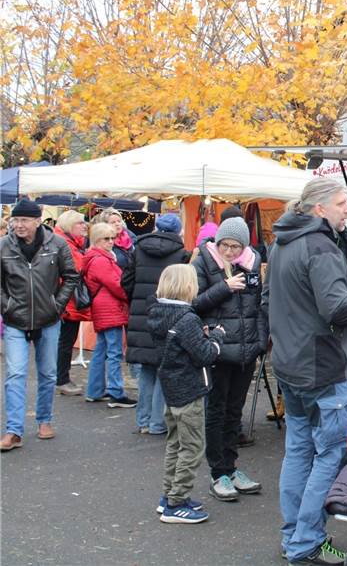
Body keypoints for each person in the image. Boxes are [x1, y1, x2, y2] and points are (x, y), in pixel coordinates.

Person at [264, 178, 347, 565]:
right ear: (319, 209)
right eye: (340, 204)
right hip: (321, 367)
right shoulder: (319, 247)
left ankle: (295, 539)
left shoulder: (283, 242)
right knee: (328, 455)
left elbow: (271, 300)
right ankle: (305, 543)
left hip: (291, 362)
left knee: (300, 452)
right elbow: (338, 309)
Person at [193, 216, 267, 501]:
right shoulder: (203, 262)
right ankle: (218, 472)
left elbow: (259, 305)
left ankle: (231, 466)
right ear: (217, 242)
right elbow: (194, 303)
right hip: (218, 349)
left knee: (234, 411)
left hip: (246, 350)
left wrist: (260, 341)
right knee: (216, 410)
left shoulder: (252, 263)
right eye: (225, 245)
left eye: (236, 246)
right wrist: (224, 287)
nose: (230, 252)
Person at [148, 264, 225, 524]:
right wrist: (217, 338)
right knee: (192, 447)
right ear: (187, 287)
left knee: (175, 444)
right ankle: (177, 502)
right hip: (189, 389)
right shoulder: (187, 319)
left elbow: (179, 346)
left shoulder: (158, 312)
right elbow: (205, 354)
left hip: (170, 387)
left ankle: (168, 495)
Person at [0, 200, 78, 451]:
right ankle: (14, 430)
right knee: (15, 374)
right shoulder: (3, 246)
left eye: (24, 220)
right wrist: (7, 305)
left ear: (37, 220)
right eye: (15, 220)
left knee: (48, 373)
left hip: (48, 319)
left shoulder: (56, 244)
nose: (19, 225)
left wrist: (57, 304)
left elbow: (72, 275)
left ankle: (44, 420)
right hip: (15, 319)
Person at [124, 213, 189, 435]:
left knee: (146, 371)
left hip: (141, 314)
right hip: (169, 314)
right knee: (164, 369)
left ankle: (142, 421)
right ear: (178, 231)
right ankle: (157, 423)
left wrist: (137, 301)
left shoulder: (137, 249)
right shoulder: (181, 253)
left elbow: (126, 281)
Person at [83, 222, 137, 408]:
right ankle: (116, 392)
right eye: (106, 239)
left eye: (112, 238)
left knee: (102, 350)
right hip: (109, 308)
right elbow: (117, 285)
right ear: (97, 240)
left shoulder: (98, 257)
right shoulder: (101, 260)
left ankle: (95, 390)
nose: (111, 242)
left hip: (105, 307)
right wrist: (129, 295)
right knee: (113, 352)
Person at [54, 210, 91, 396]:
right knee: (65, 341)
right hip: (67, 302)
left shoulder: (68, 243)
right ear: (70, 226)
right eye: (80, 223)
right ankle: (62, 379)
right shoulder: (66, 245)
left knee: (64, 341)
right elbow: (76, 270)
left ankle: (61, 378)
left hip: (66, 300)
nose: (84, 226)